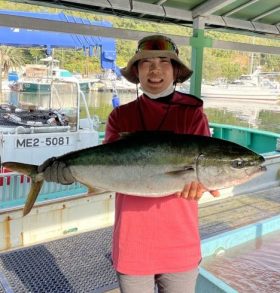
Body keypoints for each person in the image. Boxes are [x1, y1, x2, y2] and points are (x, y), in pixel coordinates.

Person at [41, 34, 219, 293]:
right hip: (133, 243)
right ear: (136, 71)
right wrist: (70, 170)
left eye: (164, 62)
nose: (155, 69)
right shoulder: (120, 117)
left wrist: (200, 186)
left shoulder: (192, 115)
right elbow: (106, 170)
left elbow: (205, 164)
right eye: (146, 62)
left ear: (176, 71)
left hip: (180, 241)